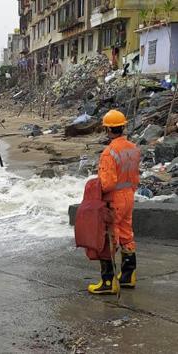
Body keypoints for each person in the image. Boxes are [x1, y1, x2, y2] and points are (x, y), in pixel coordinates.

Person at [88, 110, 140, 295]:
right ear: (123, 126)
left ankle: (108, 281)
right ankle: (128, 276)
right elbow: (135, 176)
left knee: (109, 236)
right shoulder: (133, 148)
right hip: (129, 195)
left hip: (114, 199)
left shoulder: (109, 152)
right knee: (126, 233)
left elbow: (107, 183)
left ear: (108, 129)